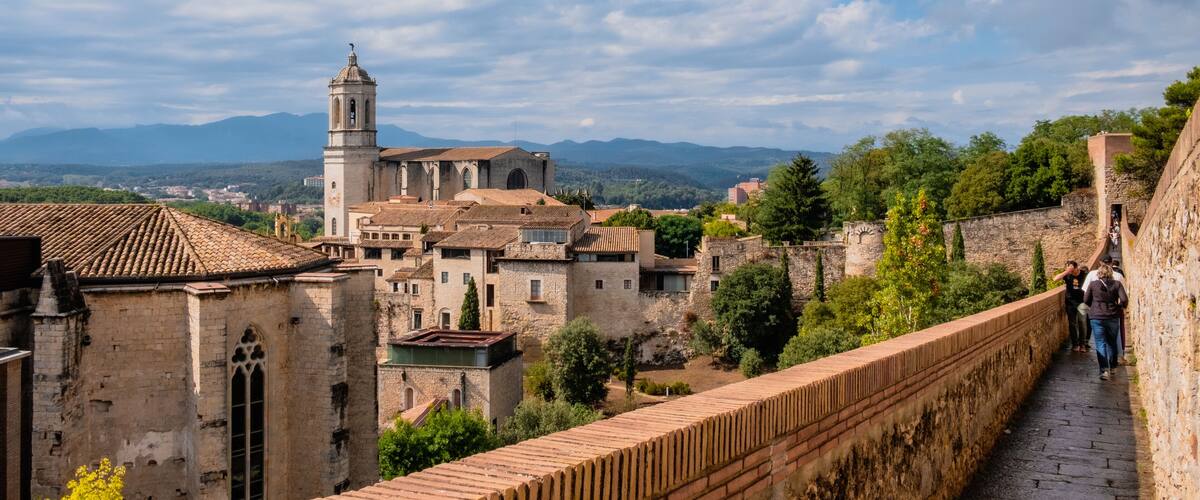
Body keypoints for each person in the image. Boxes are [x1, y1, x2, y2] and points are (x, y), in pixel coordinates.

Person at [1084, 264, 1128, 381]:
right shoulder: (1117, 284)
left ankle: (1104, 370)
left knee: (1100, 343)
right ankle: (1113, 367)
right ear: (1111, 273)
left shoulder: (1093, 284)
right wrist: (1119, 306)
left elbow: (1086, 300)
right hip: (1113, 316)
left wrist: (1094, 306)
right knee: (1112, 342)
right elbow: (1124, 299)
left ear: (1099, 273)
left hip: (1097, 317)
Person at [1053, 261, 1087, 352]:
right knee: (1072, 324)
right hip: (1070, 302)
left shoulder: (1084, 274)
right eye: (1067, 268)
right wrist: (1067, 271)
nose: (1069, 270)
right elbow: (1055, 279)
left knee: (1082, 322)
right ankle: (1075, 344)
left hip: (1082, 302)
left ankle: (1083, 344)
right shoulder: (1067, 275)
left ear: (1076, 267)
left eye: (1071, 268)